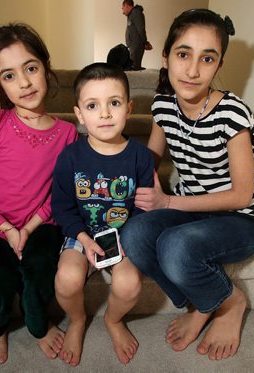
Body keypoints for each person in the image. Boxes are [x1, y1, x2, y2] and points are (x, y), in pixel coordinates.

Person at [120, 9, 254, 361]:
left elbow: (241, 195)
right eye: (183, 54)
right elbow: (150, 162)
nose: (192, 69)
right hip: (193, 214)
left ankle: (229, 303)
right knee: (135, 234)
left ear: (218, 66)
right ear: (166, 56)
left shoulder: (232, 114)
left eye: (207, 58)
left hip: (241, 219)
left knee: (175, 246)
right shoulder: (163, 106)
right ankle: (200, 298)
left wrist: (167, 203)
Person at [0, 23, 78, 364]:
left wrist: (32, 225)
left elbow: (64, 194)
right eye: (9, 76)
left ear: (46, 68)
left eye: (31, 68)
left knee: (39, 273)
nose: (23, 82)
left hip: (43, 224)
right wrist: (7, 228)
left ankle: (39, 326)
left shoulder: (67, 133)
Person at [51, 63, 154, 366]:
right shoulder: (70, 157)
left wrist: (124, 241)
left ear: (129, 108)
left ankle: (113, 320)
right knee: (67, 278)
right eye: (93, 105)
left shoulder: (141, 157)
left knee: (129, 284)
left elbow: (142, 207)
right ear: (80, 115)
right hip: (81, 233)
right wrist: (83, 237)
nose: (105, 113)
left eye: (115, 103)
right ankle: (77, 319)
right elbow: (62, 207)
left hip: (121, 236)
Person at [121, 0, 152, 70]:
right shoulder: (131, 14)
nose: (122, 12)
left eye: (122, 8)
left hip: (136, 47)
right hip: (133, 47)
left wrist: (145, 42)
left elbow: (141, 29)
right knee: (133, 68)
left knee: (134, 68)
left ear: (126, 5)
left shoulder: (136, 13)